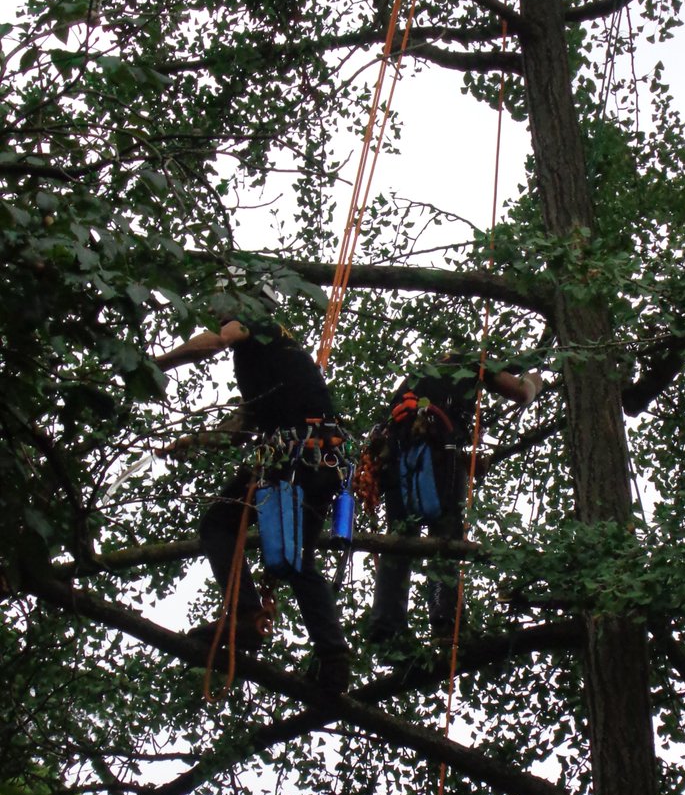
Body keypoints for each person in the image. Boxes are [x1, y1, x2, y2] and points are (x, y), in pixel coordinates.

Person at [153, 287, 352, 694]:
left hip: (295, 457)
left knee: (221, 524)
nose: (217, 315)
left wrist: (154, 364)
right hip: (317, 461)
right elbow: (242, 426)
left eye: (222, 307)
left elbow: (216, 341)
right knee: (295, 558)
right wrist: (194, 442)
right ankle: (331, 658)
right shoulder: (272, 355)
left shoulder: (255, 325)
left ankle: (248, 616)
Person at [365, 352, 542, 651]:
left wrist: (467, 459)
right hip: (439, 457)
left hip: (397, 460)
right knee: (445, 535)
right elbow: (521, 393)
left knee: (399, 538)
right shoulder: (471, 363)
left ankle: (386, 625)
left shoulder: (418, 379)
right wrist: (535, 381)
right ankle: (444, 622)